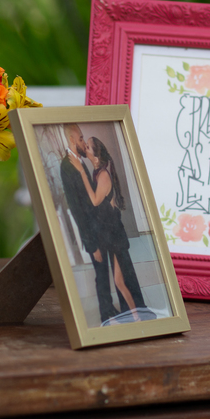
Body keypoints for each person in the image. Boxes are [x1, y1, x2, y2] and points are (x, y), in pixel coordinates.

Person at [68, 136, 146, 317]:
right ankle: (136, 316)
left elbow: (95, 201)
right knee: (119, 280)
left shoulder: (103, 175)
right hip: (109, 233)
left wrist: (80, 171)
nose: (84, 148)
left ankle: (137, 317)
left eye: (87, 147)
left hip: (114, 234)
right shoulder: (97, 171)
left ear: (95, 155)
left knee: (119, 280)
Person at [59, 124, 117, 324]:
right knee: (100, 272)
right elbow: (77, 210)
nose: (84, 142)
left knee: (103, 272)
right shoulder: (67, 166)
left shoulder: (78, 161)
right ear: (72, 140)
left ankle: (108, 308)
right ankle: (106, 314)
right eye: (81, 138)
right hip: (93, 233)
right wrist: (92, 245)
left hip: (100, 228)